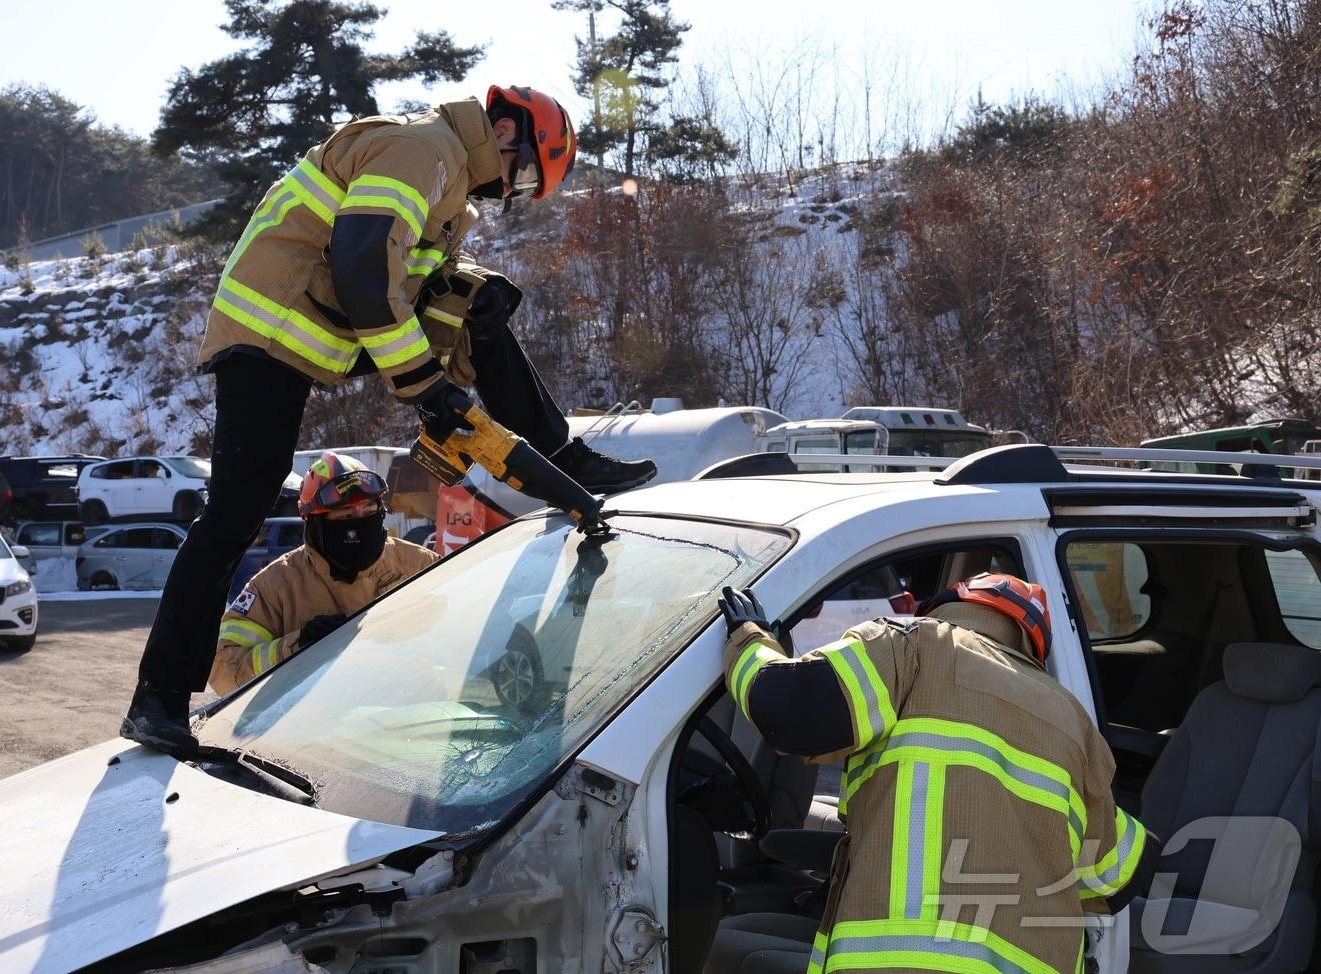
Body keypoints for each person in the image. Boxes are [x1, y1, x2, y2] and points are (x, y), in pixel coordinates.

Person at [122, 85, 656, 753]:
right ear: (510, 136)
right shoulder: (419, 149)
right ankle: (159, 698)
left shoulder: (449, 187)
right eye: (522, 177)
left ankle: (563, 456)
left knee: (482, 300)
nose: (511, 192)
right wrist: (427, 388)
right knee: (235, 513)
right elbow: (362, 270)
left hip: (321, 330)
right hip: (267, 334)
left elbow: (415, 290)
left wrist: (453, 363)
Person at [717, 573, 1158, 974]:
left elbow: (790, 709)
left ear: (949, 605)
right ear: (1031, 645)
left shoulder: (912, 646)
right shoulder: (1072, 721)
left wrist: (748, 639)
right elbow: (1113, 876)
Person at [207, 451, 436, 695]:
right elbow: (223, 673)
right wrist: (297, 647)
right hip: (317, 723)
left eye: (369, 509)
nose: (359, 522)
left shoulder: (418, 564)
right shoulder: (275, 586)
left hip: (412, 706)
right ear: (315, 522)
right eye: (346, 515)